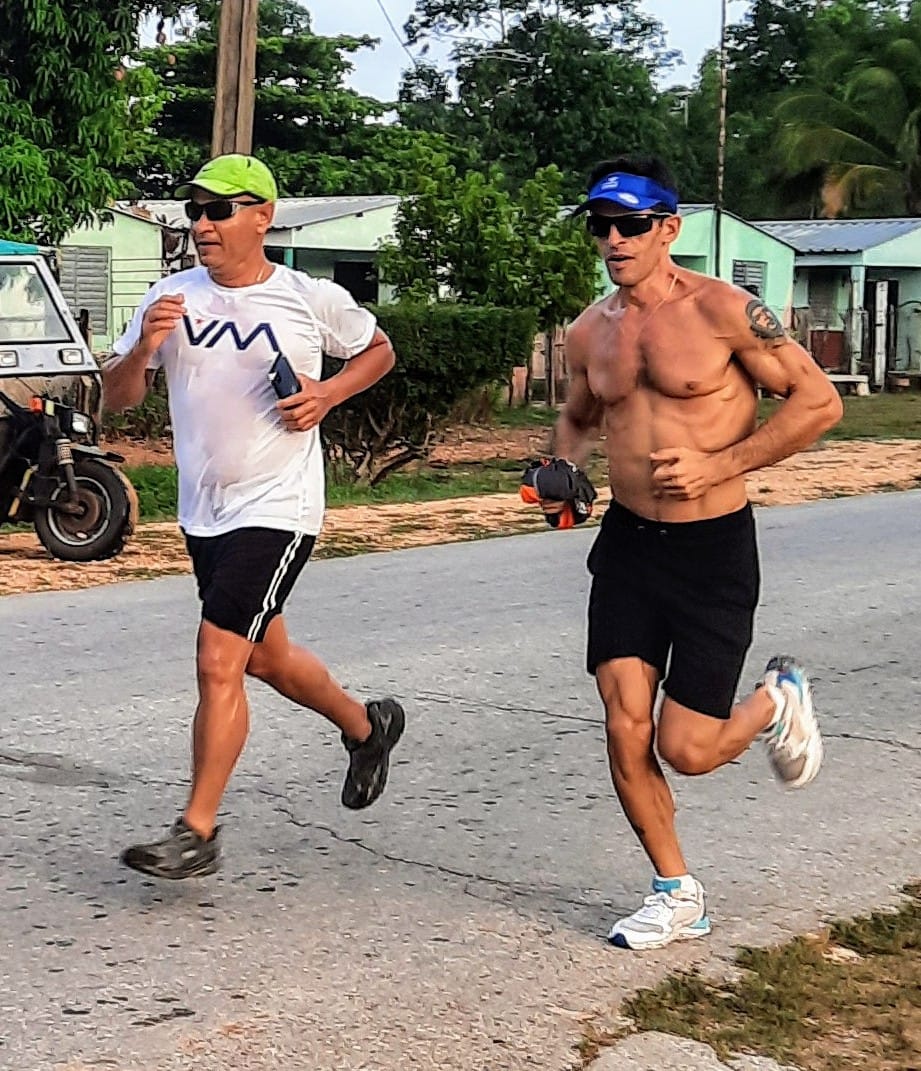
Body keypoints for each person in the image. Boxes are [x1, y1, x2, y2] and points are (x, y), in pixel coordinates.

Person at [531, 155, 843, 950]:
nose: (612, 238)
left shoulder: (725, 312)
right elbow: (574, 419)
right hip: (629, 543)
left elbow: (819, 402)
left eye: (630, 224)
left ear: (668, 228)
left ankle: (777, 700)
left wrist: (719, 462)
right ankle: (676, 892)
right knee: (622, 724)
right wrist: (557, 470)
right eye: (600, 224)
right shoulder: (587, 329)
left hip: (711, 547)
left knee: (688, 747)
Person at [104, 154, 405, 880]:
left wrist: (327, 395)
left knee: (217, 658)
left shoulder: (308, 297)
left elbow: (379, 350)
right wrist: (145, 345)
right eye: (193, 211)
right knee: (263, 658)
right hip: (203, 510)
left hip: (277, 506)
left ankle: (196, 828)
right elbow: (115, 398)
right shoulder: (169, 295)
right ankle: (368, 727)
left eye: (218, 210)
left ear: (262, 216)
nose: (200, 224)